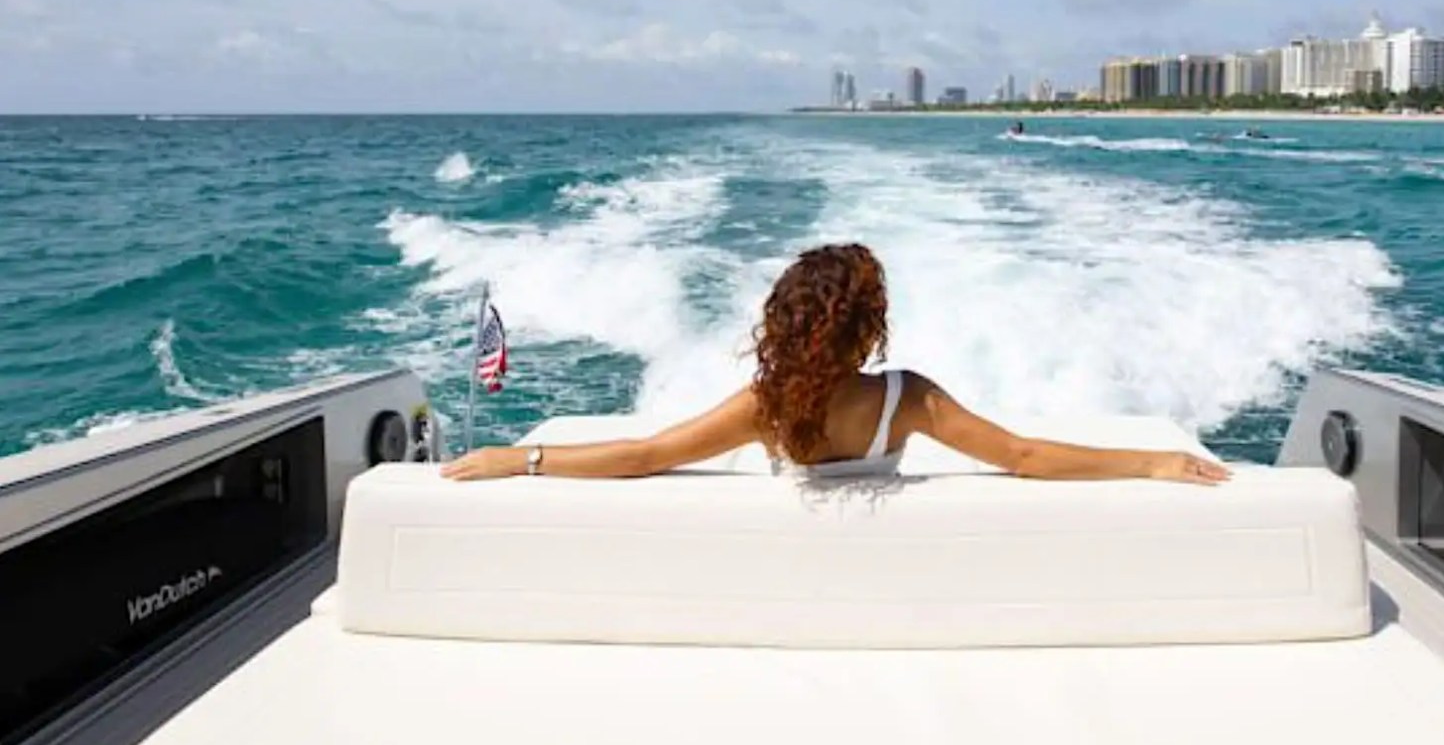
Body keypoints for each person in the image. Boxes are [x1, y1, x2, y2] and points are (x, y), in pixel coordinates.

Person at [440, 244, 1230, 485]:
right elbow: (1022, 455)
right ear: (867, 332)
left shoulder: (767, 406)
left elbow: (648, 455)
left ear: (786, 326)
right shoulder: (909, 399)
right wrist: (1152, 460)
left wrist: (524, 457)